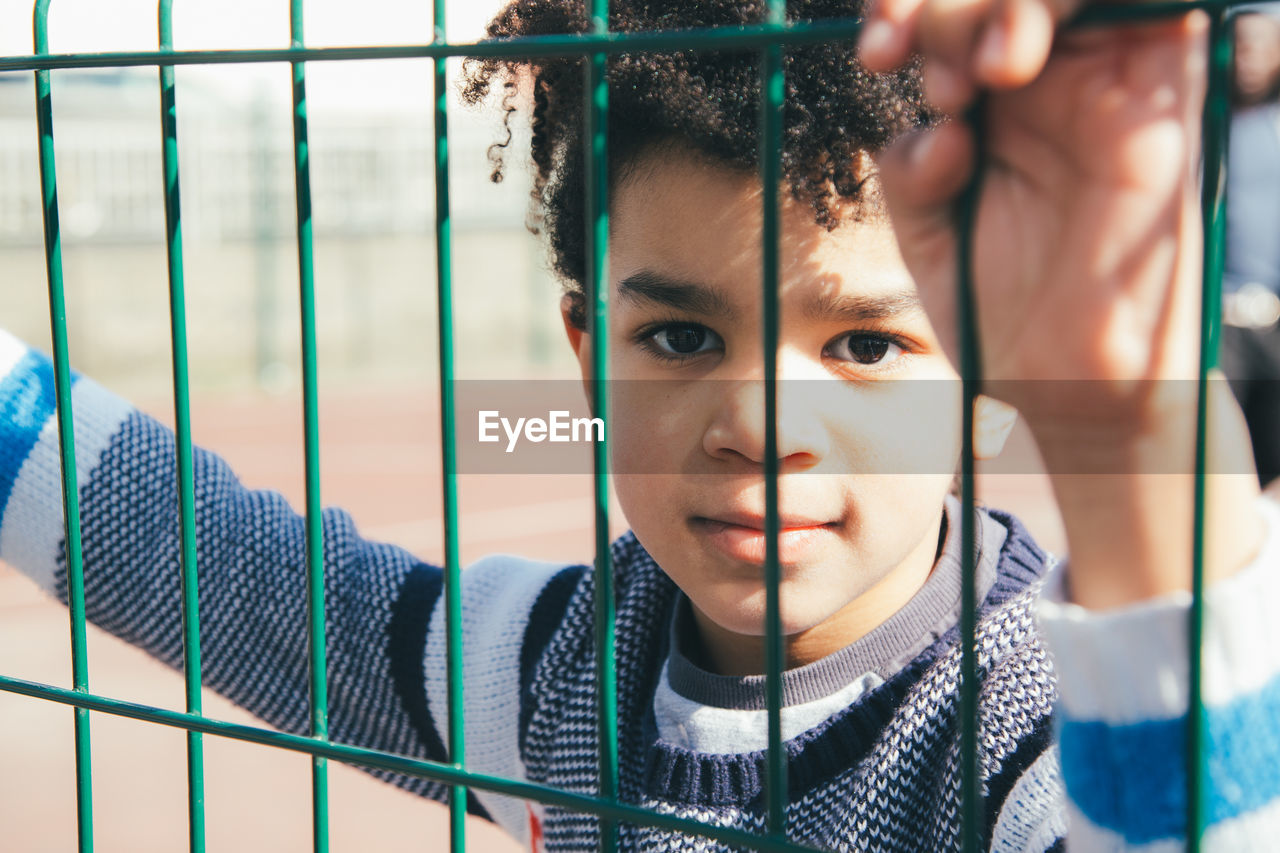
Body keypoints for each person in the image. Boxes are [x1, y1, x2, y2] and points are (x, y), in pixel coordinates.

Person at [2, 0, 1278, 849]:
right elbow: (205, 563)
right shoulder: (549, 667)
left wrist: (1132, 413)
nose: (754, 423)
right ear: (584, 357)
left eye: (866, 346)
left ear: (986, 373)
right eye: (677, 338)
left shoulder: (1030, 730)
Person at [1222, 8, 1280, 486]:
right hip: (1221, 322)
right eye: (1241, 44)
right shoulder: (1203, 129)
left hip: (1275, 320)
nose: (1250, 58)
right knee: (1224, 461)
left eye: (1262, 45)